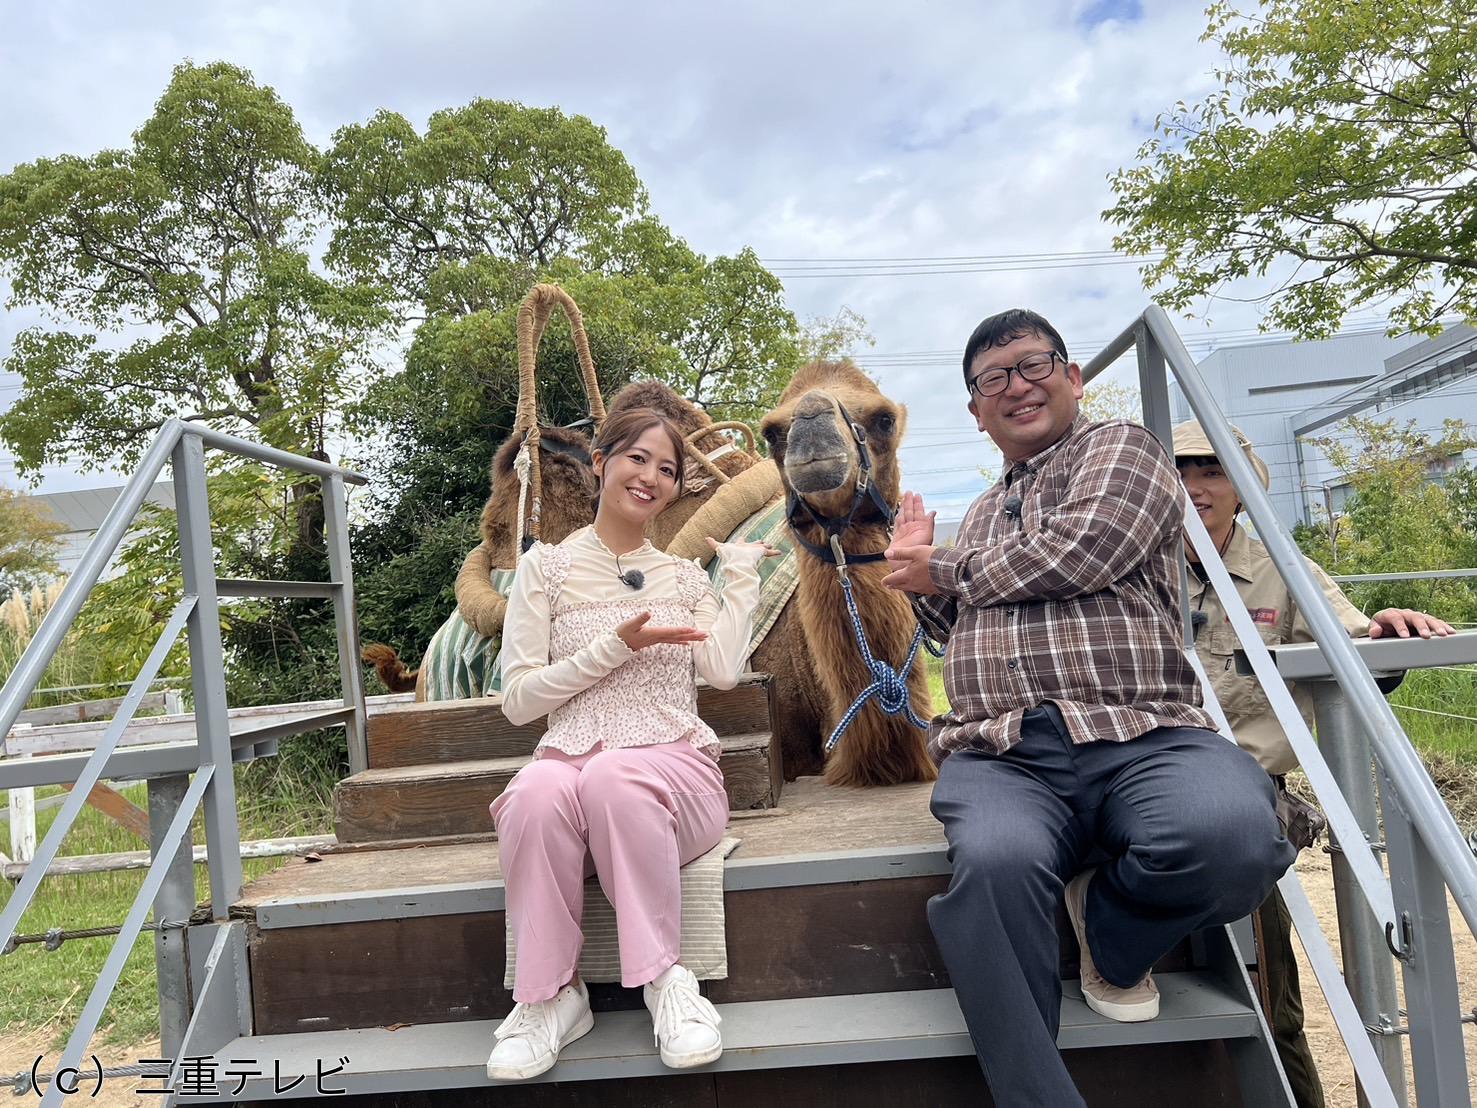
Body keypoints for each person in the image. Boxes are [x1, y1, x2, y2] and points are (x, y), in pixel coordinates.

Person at [881, 308, 1295, 1106]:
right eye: (992, 378)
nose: (1017, 386)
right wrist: (914, 582)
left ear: (1073, 379)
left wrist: (945, 571)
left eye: (1034, 366)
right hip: (1000, 752)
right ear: (975, 412)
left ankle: (1111, 927)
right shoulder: (975, 519)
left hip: (1142, 731)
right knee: (992, 868)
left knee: (1234, 834)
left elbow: (1086, 548)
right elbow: (951, 624)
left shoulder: (1124, 451)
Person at [485, 406, 775, 1081]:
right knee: (532, 791)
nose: (650, 477)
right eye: (637, 458)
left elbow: (723, 672)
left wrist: (736, 576)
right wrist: (614, 647)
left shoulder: (681, 577)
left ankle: (666, 981)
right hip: (569, 762)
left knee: (615, 777)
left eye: (667, 469)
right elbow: (520, 702)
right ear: (600, 462)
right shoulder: (545, 571)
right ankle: (550, 997)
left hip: (675, 776)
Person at [1173, 418, 1453, 1108]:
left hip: (1242, 794)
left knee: (1268, 994)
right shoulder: (1126, 572)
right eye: (1178, 470)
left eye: (1210, 470)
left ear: (1241, 490)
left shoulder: (1283, 571)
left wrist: (1384, 629)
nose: (1192, 487)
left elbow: (1358, 650)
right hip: (1139, 787)